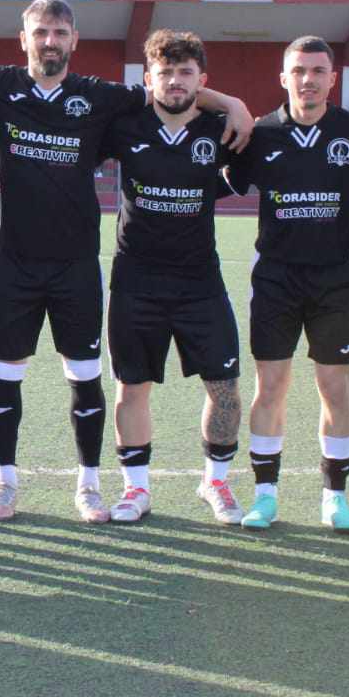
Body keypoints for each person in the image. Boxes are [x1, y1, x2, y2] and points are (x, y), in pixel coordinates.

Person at [0, 0, 252, 522]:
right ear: (23, 38)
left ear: (74, 40)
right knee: (5, 377)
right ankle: (5, 483)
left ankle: (89, 485)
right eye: (41, 32)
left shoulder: (100, 96)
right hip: (15, 258)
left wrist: (231, 101)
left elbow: (168, 89)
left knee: (85, 377)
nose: (50, 41)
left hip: (76, 262)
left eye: (60, 32)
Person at [225, 36, 349, 531]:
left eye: (317, 71)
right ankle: (265, 496)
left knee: (334, 387)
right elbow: (223, 180)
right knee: (269, 385)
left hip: (335, 277)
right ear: (284, 78)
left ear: (332, 79)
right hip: (275, 276)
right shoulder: (261, 133)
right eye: (298, 71)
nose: (308, 80)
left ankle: (334, 497)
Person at [99, 30, 243, 524]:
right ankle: (136, 489)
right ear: (149, 78)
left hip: (200, 281)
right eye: (166, 72)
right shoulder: (125, 125)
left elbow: (245, 170)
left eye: (186, 73)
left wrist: (234, 105)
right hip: (135, 280)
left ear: (202, 80)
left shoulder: (221, 129)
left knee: (224, 387)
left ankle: (215, 481)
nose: (175, 81)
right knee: (132, 387)